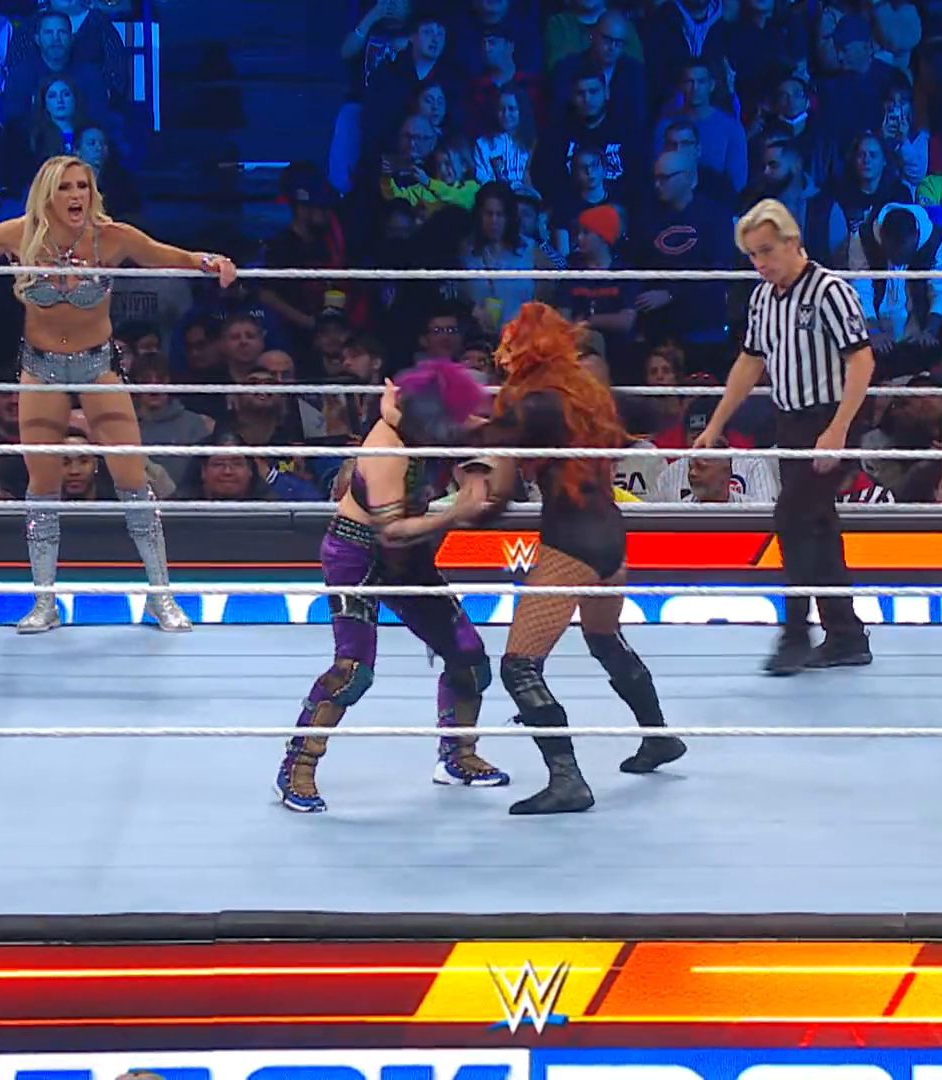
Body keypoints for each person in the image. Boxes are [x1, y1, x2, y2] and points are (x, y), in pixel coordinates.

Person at [0, 156, 238, 634]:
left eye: (83, 186)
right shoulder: (20, 234)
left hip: (97, 366)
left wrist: (209, 262)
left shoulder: (110, 236)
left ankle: (162, 596)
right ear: (48, 194)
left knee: (132, 478)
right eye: (66, 187)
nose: (77, 195)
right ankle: (44, 602)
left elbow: (163, 254)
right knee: (42, 486)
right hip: (40, 369)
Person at [469, 302, 687, 816]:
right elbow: (653, 414)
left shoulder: (540, 404)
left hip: (572, 540)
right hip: (611, 536)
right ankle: (658, 737)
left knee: (519, 666)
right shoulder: (587, 395)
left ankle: (566, 779)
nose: (503, 354)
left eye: (511, 344)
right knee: (604, 637)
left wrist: (426, 410)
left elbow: (484, 438)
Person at [276, 361, 509, 814]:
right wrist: (454, 514)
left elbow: (486, 428)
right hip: (358, 552)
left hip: (411, 557)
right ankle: (295, 767)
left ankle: (457, 755)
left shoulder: (430, 419)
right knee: (353, 670)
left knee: (469, 657)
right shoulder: (387, 448)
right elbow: (392, 531)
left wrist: (480, 465)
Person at [697, 199, 878, 675]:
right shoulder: (762, 298)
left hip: (832, 418)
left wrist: (839, 430)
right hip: (791, 422)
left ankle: (796, 632)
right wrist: (715, 424)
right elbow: (749, 361)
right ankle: (846, 635)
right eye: (752, 255)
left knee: (792, 517)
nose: (760, 263)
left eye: (766, 251)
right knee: (818, 525)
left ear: (792, 241)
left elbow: (862, 360)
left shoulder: (830, 291)